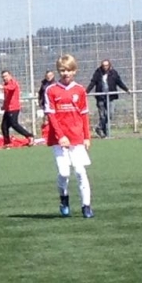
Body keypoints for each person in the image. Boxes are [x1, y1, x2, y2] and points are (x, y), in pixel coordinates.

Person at [45, 55, 94, 218]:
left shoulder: (80, 90)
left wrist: (87, 137)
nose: (65, 73)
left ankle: (86, 206)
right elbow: (51, 115)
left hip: (77, 138)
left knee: (80, 171)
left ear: (74, 71)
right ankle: (64, 198)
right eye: (62, 70)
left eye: (68, 70)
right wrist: (61, 136)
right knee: (64, 173)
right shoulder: (51, 90)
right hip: (58, 139)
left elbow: (84, 114)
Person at [85, 59, 129, 139]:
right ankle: (105, 133)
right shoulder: (98, 73)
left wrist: (126, 89)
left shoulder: (113, 73)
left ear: (109, 65)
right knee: (102, 116)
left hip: (111, 97)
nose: (105, 67)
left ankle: (99, 128)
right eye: (104, 65)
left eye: (106, 65)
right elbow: (93, 83)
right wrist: (86, 92)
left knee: (110, 114)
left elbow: (119, 82)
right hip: (100, 97)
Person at [0, 70, 34, 146]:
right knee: (4, 126)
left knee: (14, 124)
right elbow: (7, 97)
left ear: (10, 76)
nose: (4, 78)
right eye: (3, 77)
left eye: (6, 76)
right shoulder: (6, 84)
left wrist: (3, 87)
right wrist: (4, 106)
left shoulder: (13, 83)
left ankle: (29, 136)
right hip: (8, 108)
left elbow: (11, 88)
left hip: (14, 108)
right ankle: (7, 143)